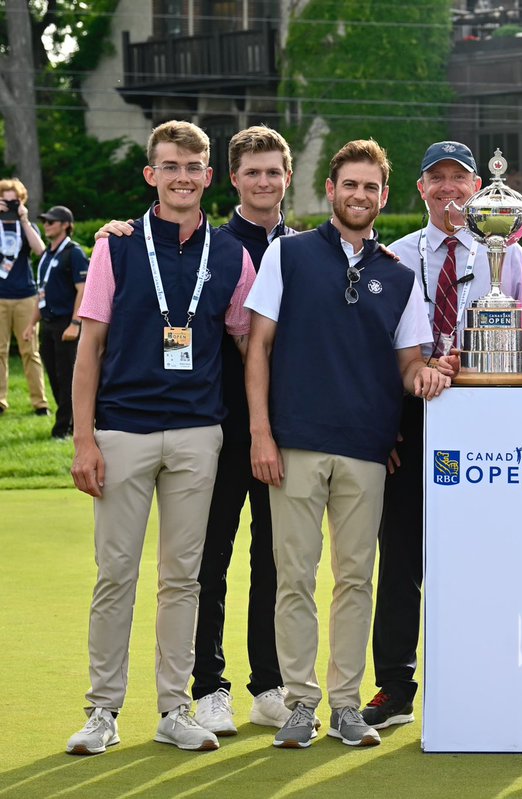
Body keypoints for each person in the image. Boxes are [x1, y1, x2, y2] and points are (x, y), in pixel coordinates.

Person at [244, 138, 455, 749]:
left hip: (367, 452)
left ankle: (343, 705)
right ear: (330, 191)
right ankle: (300, 703)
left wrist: (437, 374)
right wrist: (260, 432)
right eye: (350, 185)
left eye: (371, 187)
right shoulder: (287, 255)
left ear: (384, 197)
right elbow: (257, 347)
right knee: (295, 578)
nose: (360, 195)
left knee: (356, 579)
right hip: (295, 445)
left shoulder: (399, 274)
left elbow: (410, 366)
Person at [93, 126, 299, 734]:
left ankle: (270, 683)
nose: (264, 182)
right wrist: (114, 231)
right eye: (253, 172)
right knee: (204, 560)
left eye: (274, 172)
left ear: (288, 179)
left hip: (277, 426)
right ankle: (208, 686)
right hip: (213, 424)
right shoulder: (213, 242)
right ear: (230, 178)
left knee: (273, 559)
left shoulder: (308, 247)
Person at [66, 120, 257, 755]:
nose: (182, 176)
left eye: (193, 165)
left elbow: (249, 345)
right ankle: (102, 711)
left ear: (209, 176)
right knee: (115, 574)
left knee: (183, 577)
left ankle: (175, 707)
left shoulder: (233, 255)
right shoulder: (115, 247)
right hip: (122, 430)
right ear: (152, 175)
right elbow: (89, 348)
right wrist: (84, 441)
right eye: (170, 165)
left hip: (199, 433)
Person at [360, 140, 522, 730]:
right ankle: (395, 687)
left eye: (460, 179)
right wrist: (382, 427)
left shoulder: (508, 255)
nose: (449, 189)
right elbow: (375, 348)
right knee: (402, 556)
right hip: (408, 418)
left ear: (477, 189)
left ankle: (476, 677)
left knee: (478, 555)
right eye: (436, 179)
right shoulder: (394, 255)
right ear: (419, 189)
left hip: (482, 417)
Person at [22, 205, 87, 438]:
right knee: (54, 377)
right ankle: (68, 423)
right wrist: (31, 324)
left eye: (52, 221)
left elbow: (83, 290)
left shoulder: (74, 252)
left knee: (68, 377)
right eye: (46, 221)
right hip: (48, 324)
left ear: (66, 225)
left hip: (66, 324)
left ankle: (63, 430)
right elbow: (42, 293)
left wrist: (76, 323)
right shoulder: (47, 255)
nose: (47, 224)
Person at [0, 177, 48, 416]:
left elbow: (40, 250)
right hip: (0, 296)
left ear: (22, 202)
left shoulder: (24, 224)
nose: (9, 205)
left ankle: (40, 403)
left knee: (30, 351)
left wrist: (24, 219)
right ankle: (0, 401)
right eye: (5, 201)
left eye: (14, 201)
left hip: (25, 295)